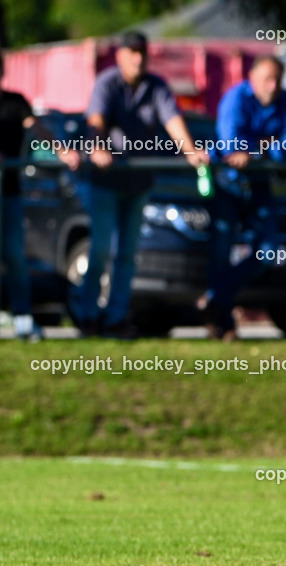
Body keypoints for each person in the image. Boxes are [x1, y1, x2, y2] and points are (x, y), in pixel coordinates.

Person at [75, 31, 207, 338]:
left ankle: (115, 318)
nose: (139, 58)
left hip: (139, 183)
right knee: (99, 250)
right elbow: (96, 120)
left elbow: (173, 121)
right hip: (106, 182)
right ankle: (88, 315)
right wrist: (98, 146)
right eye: (132, 52)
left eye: (142, 52)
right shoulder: (107, 83)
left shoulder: (156, 86)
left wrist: (190, 150)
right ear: (120, 55)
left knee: (128, 255)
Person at [199, 55, 286, 340]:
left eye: (277, 80)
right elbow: (231, 145)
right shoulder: (235, 98)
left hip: (259, 185)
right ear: (252, 78)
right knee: (220, 250)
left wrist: (259, 153)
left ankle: (214, 297)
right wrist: (268, 148)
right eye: (267, 79)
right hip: (227, 185)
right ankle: (221, 321)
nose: (273, 86)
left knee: (269, 249)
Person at [0, 52, 80, 340]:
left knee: (14, 255)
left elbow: (36, 128)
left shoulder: (15, 103)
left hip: (9, 194)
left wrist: (62, 150)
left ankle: (22, 318)